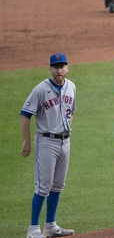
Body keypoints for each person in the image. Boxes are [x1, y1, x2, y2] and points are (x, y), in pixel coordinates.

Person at [21, 53, 76, 238]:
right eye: (55, 66)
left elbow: (71, 112)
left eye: (62, 66)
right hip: (46, 142)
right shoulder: (40, 90)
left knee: (58, 186)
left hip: (65, 141)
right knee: (43, 186)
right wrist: (27, 141)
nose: (59, 70)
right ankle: (33, 230)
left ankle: (50, 226)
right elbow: (25, 113)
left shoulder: (72, 87)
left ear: (67, 68)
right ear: (50, 68)